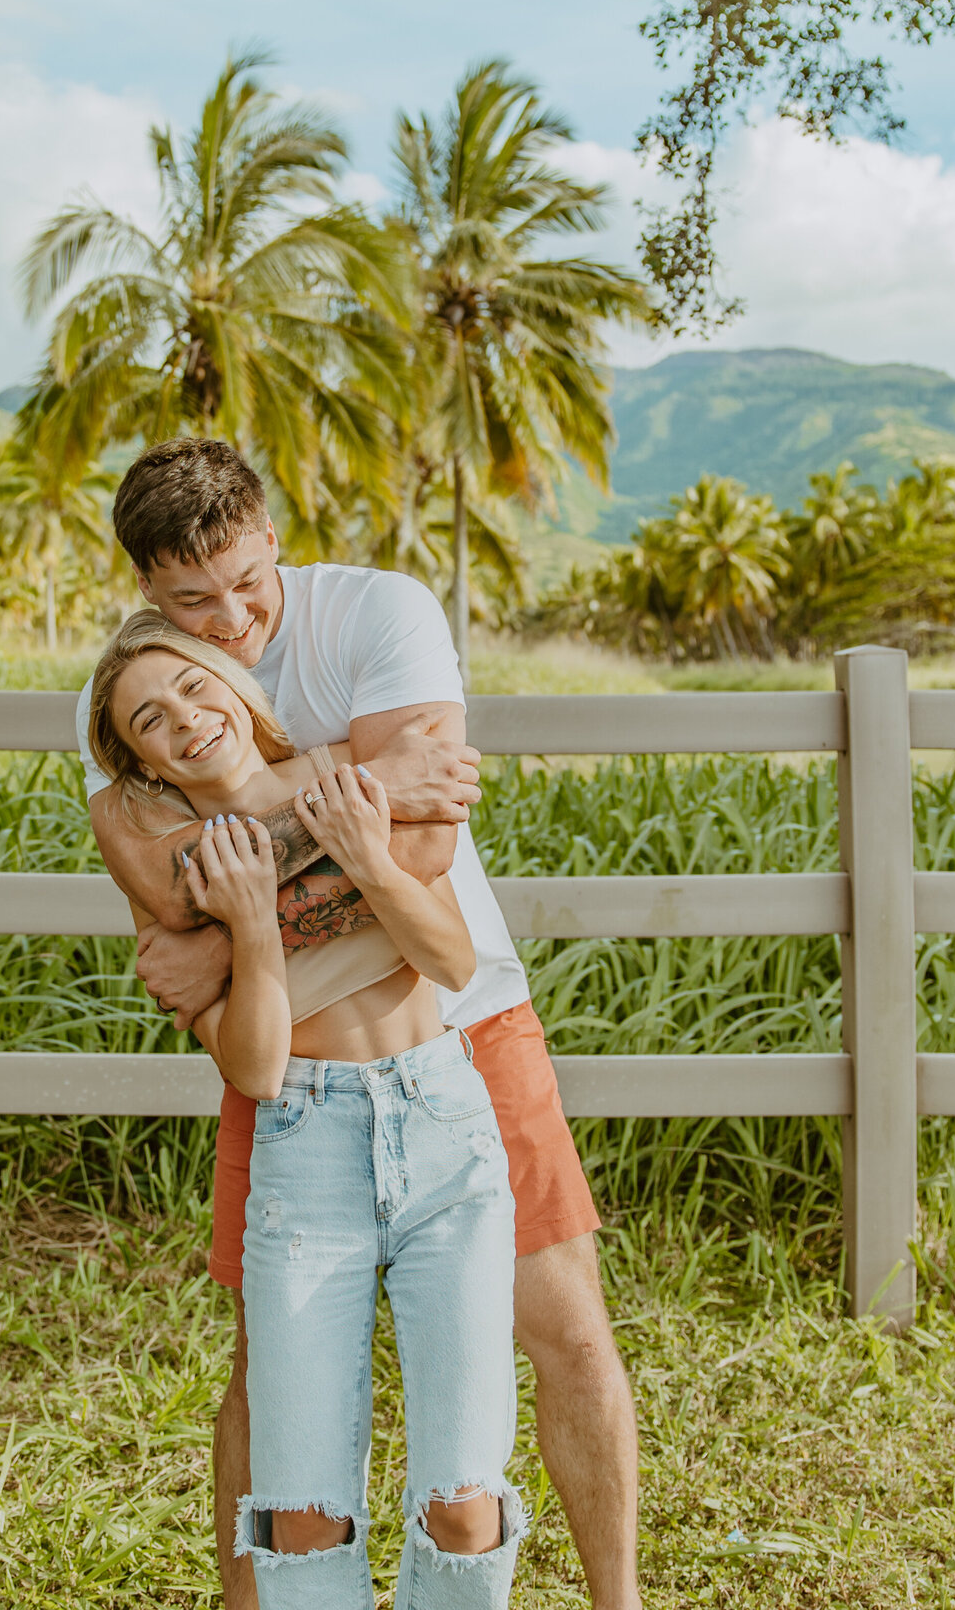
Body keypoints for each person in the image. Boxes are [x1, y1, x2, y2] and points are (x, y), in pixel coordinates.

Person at [76, 438, 642, 1610]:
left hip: (463, 1024)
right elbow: (166, 895)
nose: (227, 620)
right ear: (146, 591)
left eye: (243, 583)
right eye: (191, 602)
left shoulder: (376, 613)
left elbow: (425, 830)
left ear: (272, 533)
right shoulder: (145, 685)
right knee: (269, 1380)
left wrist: (242, 914)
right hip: (296, 1084)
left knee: (568, 1337)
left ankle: (617, 1603)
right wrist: (348, 803)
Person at [86, 612, 526, 1605]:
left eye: (194, 687)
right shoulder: (174, 869)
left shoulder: (349, 770)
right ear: (144, 763)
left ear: (233, 683)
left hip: (443, 1120)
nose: (185, 721)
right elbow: (255, 1065)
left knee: (464, 1500)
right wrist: (249, 923)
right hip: (305, 1139)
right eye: (149, 721)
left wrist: (357, 864)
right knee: (303, 1511)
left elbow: (454, 960)